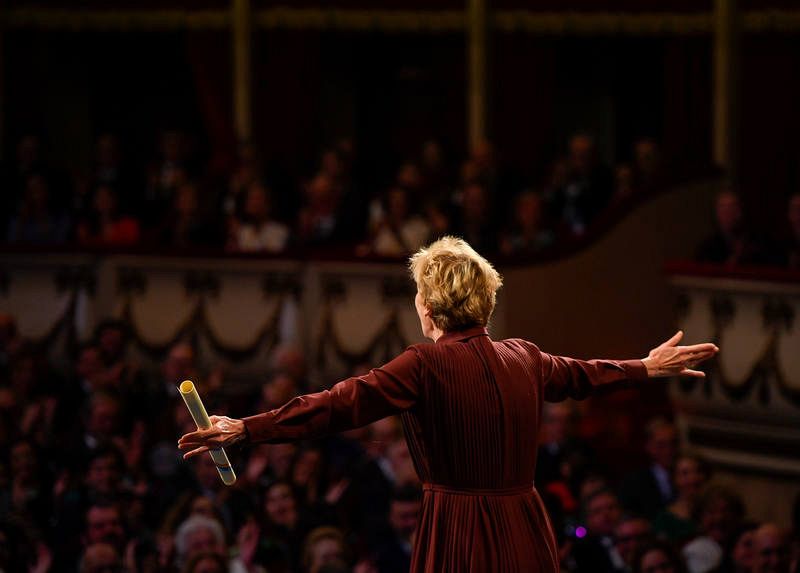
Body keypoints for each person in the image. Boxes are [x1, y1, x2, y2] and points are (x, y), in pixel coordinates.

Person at [179, 236, 718, 572]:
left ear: (430, 305)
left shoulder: (425, 364)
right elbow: (584, 375)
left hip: (459, 528)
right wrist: (645, 367)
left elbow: (339, 404)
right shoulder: (523, 356)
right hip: (525, 526)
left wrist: (247, 428)